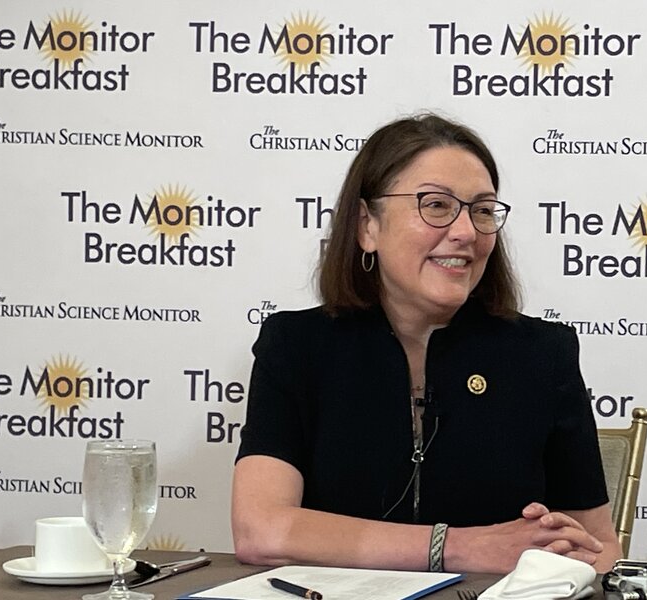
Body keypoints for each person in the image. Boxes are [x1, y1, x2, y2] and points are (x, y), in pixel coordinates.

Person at [231, 113, 622, 574]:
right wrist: (459, 548)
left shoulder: (543, 354)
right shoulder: (296, 345)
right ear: (366, 226)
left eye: (481, 210)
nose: (466, 232)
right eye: (436, 205)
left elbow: (598, 551)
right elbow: (261, 531)